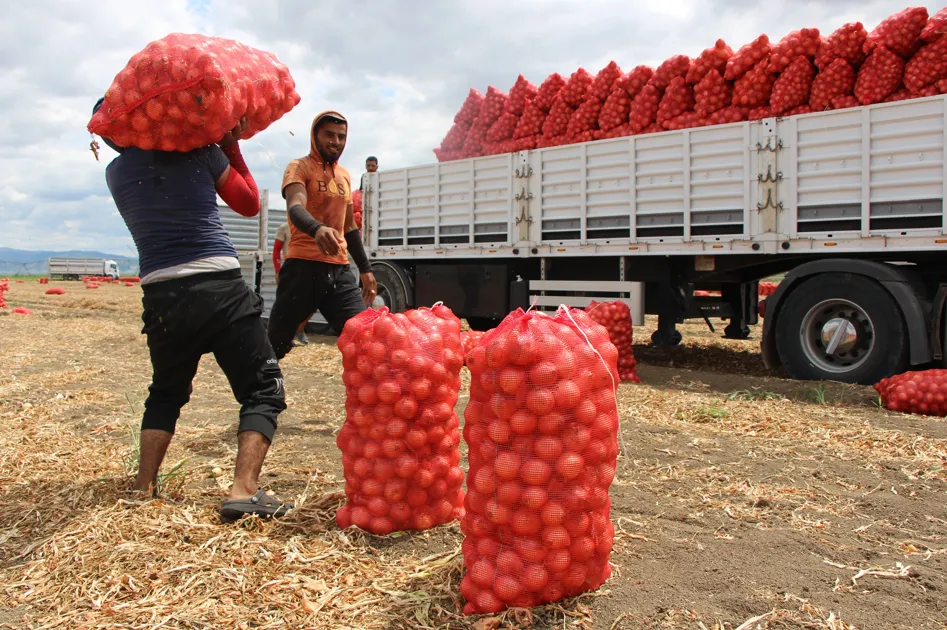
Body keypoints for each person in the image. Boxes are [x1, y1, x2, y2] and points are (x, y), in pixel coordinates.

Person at [93, 97, 293, 522]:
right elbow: (248, 202)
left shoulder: (116, 172)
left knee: (165, 392)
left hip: (161, 296)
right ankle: (243, 491)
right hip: (218, 287)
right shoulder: (201, 151)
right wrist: (229, 142)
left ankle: (143, 489)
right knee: (263, 388)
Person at [267, 111, 377, 359]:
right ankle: (263, 394)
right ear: (314, 135)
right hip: (301, 269)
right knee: (274, 347)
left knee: (364, 341)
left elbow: (349, 227)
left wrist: (365, 268)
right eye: (329, 135)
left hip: (338, 270)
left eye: (341, 137)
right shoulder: (299, 167)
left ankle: (367, 396)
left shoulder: (345, 176)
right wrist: (316, 228)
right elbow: (296, 207)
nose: (335, 142)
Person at [273, 222, 309, 346]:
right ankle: (287, 335)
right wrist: (278, 271)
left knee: (310, 302)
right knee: (288, 302)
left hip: (308, 268)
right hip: (290, 268)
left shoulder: (310, 225)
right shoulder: (284, 227)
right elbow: (276, 249)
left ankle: (299, 329)